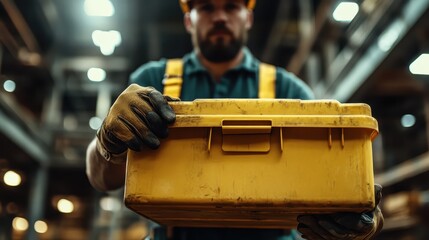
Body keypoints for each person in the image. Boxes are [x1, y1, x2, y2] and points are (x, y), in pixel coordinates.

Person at [86, 0, 384, 239]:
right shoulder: (151, 82)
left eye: (231, 6)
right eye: (206, 8)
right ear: (189, 20)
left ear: (248, 17)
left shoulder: (289, 90)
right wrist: (107, 141)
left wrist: (358, 219)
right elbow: (101, 178)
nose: (219, 17)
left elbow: (335, 179)